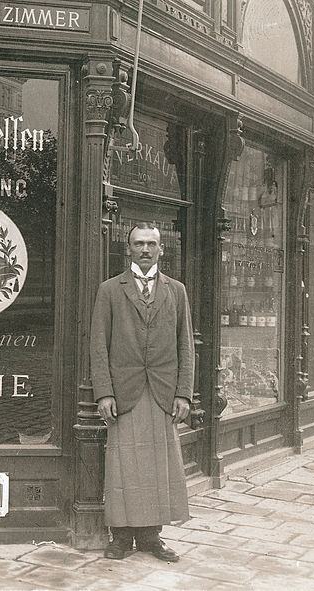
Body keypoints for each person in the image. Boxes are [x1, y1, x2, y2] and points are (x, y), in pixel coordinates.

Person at [90, 222, 193, 562]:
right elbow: (98, 346)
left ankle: (151, 537)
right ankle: (120, 538)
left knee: (156, 466)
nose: (145, 249)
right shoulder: (110, 290)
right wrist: (104, 393)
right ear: (128, 249)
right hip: (125, 393)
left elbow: (186, 346)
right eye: (138, 244)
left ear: (161, 249)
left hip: (162, 392)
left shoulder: (176, 291)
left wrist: (184, 393)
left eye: (151, 244)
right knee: (123, 464)